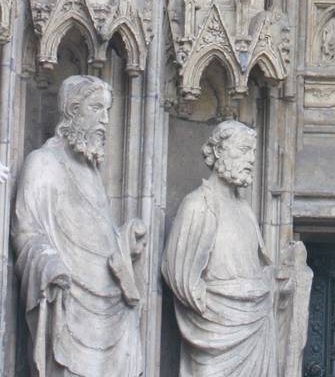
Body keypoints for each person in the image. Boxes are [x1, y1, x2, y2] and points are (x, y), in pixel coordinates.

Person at [14, 76, 146, 377]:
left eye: (109, 110)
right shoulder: (44, 164)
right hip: (71, 303)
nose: (105, 119)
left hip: (111, 307)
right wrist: (49, 265)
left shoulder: (91, 174)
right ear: (72, 112)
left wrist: (124, 240)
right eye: (96, 108)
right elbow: (27, 233)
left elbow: (95, 238)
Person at [163, 121, 303, 377]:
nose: (251, 159)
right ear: (218, 152)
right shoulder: (198, 205)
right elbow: (178, 274)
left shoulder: (245, 210)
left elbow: (257, 269)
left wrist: (277, 283)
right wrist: (215, 312)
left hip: (255, 328)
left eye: (252, 152)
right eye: (243, 150)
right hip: (217, 332)